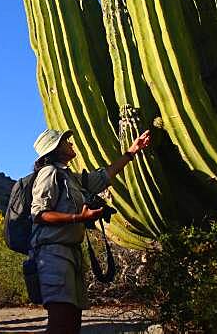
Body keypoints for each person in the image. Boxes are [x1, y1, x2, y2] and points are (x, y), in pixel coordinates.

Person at [30, 127, 152, 334]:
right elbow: (39, 214)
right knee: (60, 321)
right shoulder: (48, 173)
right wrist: (79, 218)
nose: (70, 143)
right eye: (64, 141)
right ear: (54, 149)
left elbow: (105, 176)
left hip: (72, 254)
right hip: (53, 254)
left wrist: (132, 151)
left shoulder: (70, 177)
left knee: (73, 321)